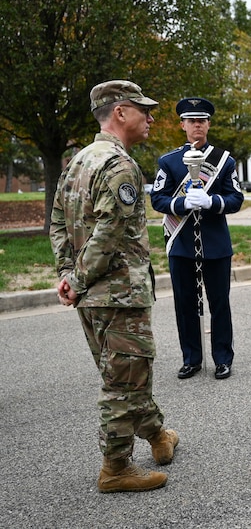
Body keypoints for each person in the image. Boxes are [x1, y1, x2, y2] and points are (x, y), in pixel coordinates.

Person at [50, 80, 179, 493]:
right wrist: (81, 277)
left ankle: (158, 435)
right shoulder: (119, 165)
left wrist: (69, 275)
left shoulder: (78, 160)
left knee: (128, 374)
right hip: (118, 294)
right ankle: (117, 468)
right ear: (120, 112)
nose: (151, 118)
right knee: (123, 382)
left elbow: (55, 222)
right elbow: (109, 232)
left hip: (92, 296)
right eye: (144, 110)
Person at [150, 98, 244, 380]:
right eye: (191, 121)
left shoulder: (224, 161)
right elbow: (157, 198)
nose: (197, 125)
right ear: (183, 125)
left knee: (219, 304)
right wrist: (181, 205)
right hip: (181, 245)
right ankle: (191, 358)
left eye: (202, 120)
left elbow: (236, 198)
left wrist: (211, 201)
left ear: (208, 124)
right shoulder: (168, 161)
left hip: (215, 244)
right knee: (185, 304)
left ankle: (223, 359)